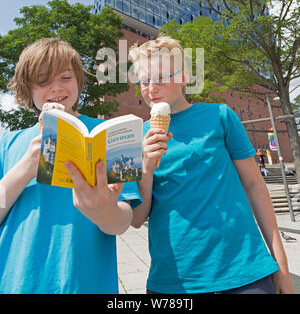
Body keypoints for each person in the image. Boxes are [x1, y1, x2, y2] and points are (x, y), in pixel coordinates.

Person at [129, 36, 295, 294]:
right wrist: (147, 168)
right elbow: (137, 220)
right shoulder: (137, 136)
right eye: (144, 81)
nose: (151, 88)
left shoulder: (220, 116)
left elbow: (254, 186)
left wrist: (281, 267)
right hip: (175, 281)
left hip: (245, 270)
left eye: (160, 78)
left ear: (184, 77)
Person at [0, 38, 141, 294]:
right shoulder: (8, 142)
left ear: (78, 79)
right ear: (27, 88)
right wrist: (28, 166)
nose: (56, 88)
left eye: (65, 77)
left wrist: (105, 210)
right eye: (43, 81)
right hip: (15, 282)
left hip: (86, 284)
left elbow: (123, 221)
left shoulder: (109, 134)